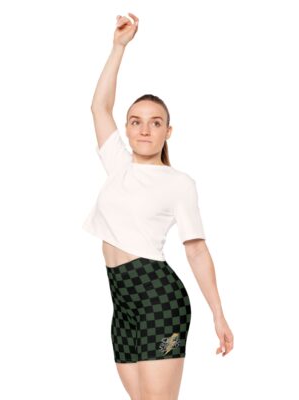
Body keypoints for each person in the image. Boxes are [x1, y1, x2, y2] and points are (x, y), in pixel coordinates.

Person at [82, 12, 234, 400]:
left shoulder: (179, 183)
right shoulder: (119, 166)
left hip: (158, 299)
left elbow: (196, 250)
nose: (144, 129)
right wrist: (118, 47)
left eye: (154, 122)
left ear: (168, 131)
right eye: (135, 122)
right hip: (122, 301)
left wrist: (218, 313)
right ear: (127, 129)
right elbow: (99, 108)